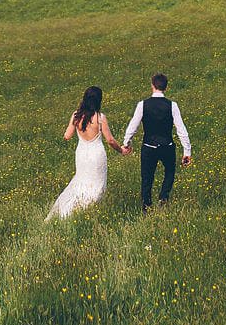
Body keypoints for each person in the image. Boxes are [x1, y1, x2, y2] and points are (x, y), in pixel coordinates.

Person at [46, 85, 129, 220]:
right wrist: (121, 150)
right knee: (97, 183)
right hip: (96, 154)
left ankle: (71, 209)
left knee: (81, 180)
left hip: (82, 154)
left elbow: (67, 136)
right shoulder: (100, 118)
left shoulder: (76, 115)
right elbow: (110, 140)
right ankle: (87, 208)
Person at [121, 73, 192, 211]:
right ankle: (163, 198)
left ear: (152, 85)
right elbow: (181, 129)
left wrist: (126, 142)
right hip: (167, 145)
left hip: (149, 146)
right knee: (170, 172)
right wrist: (187, 151)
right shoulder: (172, 105)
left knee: (147, 177)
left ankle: (146, 206)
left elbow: (133, 126)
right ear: (166, 87)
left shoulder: (143, 105)